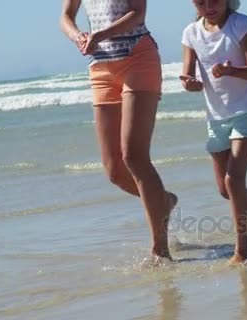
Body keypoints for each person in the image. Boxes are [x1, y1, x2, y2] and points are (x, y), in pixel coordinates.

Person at [60, 0, 177, 261]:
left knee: (134, 157)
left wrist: (99, 35)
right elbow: (66, 16)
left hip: (138, 58)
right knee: (114, 170)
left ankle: (160, 250)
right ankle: (164, 202)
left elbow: (138, 13)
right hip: (101, 66)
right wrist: (77, 36)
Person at [180, 0, 247, 265]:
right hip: (216, 117)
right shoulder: (191, 33)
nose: (208, 6)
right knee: (225, 189)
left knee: (234, 181)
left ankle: (242, 251)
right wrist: (191, 83)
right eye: (201, 1)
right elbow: (188, 78)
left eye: (214, 0)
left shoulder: (241, 24)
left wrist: (231, 70)